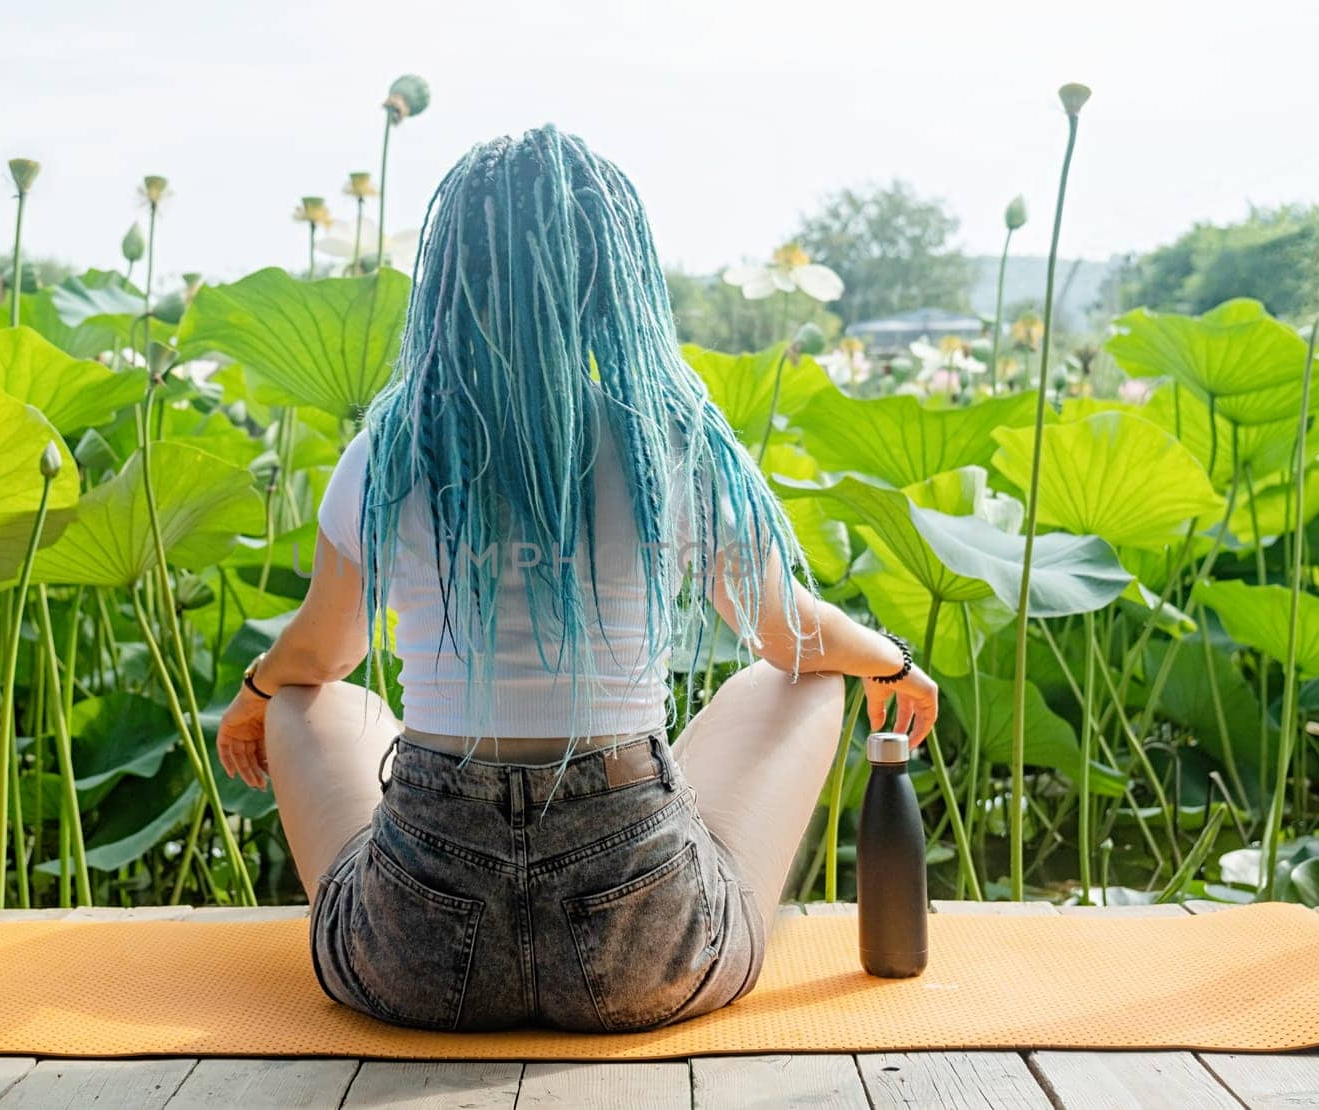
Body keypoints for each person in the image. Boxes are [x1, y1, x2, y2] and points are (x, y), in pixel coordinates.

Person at [215, 125, 938, 1033]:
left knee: (309, 700)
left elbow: (323, 651)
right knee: (807, 681)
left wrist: (254, 691)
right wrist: (892, 662)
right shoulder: (663, 443)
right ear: (616, 279)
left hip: (414, 963)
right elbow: (785, 633)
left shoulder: (392, 446)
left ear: (450, 278)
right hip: (649, 951)